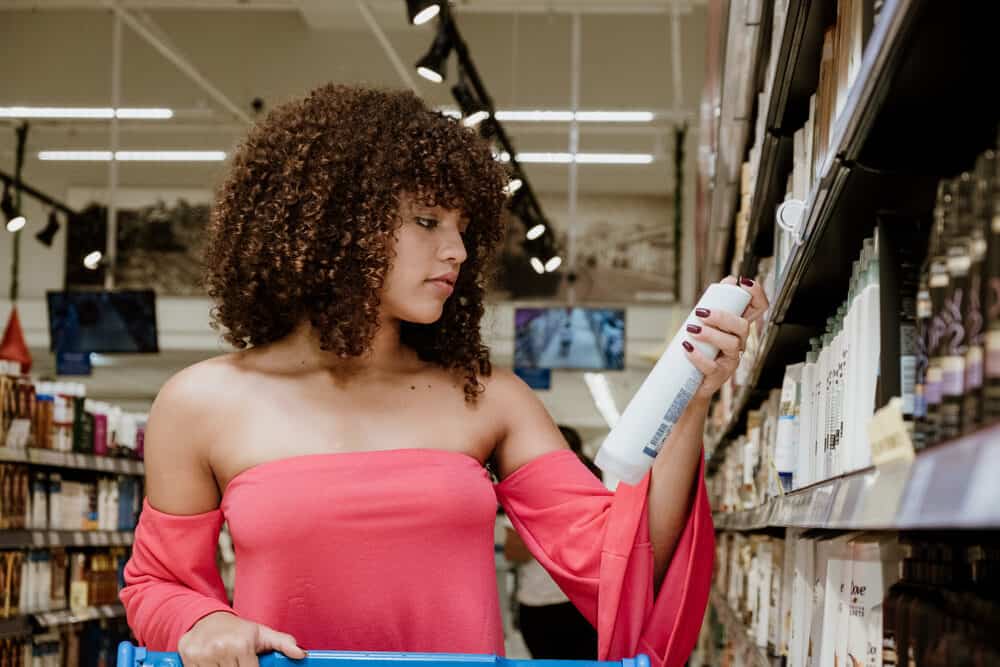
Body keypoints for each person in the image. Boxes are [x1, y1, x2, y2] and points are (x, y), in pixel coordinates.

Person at [119, 84, 768, 667]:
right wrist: (204, 620)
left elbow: (619, 561)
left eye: (462, 228)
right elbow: (156, 583)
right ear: (335, 221)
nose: (455, 250)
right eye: (427, 221)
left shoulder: (489, 398)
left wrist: (691, 399)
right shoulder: (200, 403)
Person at [503, 425, 600, 660]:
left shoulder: (592, 491)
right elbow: (515, 553)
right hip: (544, 601)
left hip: (575, 601)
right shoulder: (525, 494)